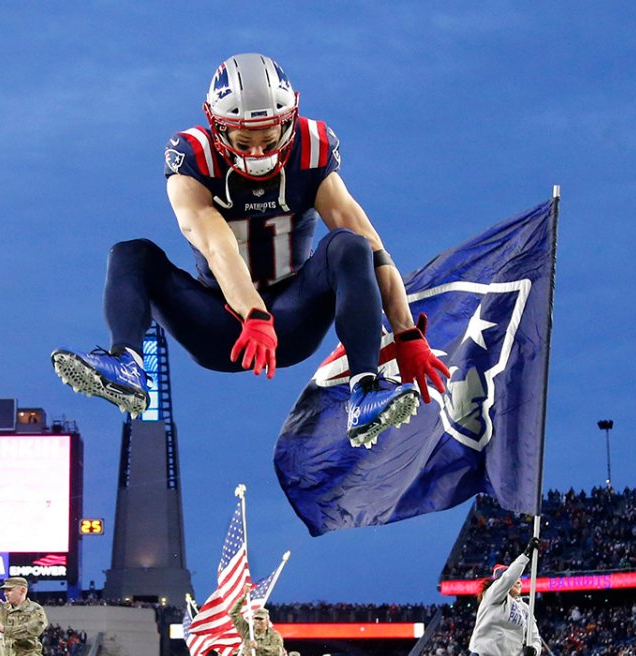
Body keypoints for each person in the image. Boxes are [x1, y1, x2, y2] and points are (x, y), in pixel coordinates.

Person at [52, 53, 449, 449]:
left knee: (349, 244)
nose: (257, 154)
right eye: (244, 142)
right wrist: (252, 313)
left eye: (268, 139)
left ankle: (365, 389)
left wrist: (406, 331)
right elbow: (215, 242)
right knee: (131, 254)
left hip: (291, 318)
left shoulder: (312, 149)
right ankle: (128, 364)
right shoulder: (193, 156)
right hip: (219, 323)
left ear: (288, 123)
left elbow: (369, 243)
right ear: (216, 126)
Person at [465, 538, 542, 656]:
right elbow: (508, 579)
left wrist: (534, 650)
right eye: (515, 578)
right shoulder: (492, 595)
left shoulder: (525, 609)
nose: (518, 581)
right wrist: (525, 557)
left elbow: (535, 637)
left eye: (520, 578)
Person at [231, 583, 285, 656]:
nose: (258, 621)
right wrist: (244, 596)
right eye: (256, 618)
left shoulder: (274, 635)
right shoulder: (248, 631)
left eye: (261, 619)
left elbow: (277, 652)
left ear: (266, 621)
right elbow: (233, 613)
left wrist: (258, 647)